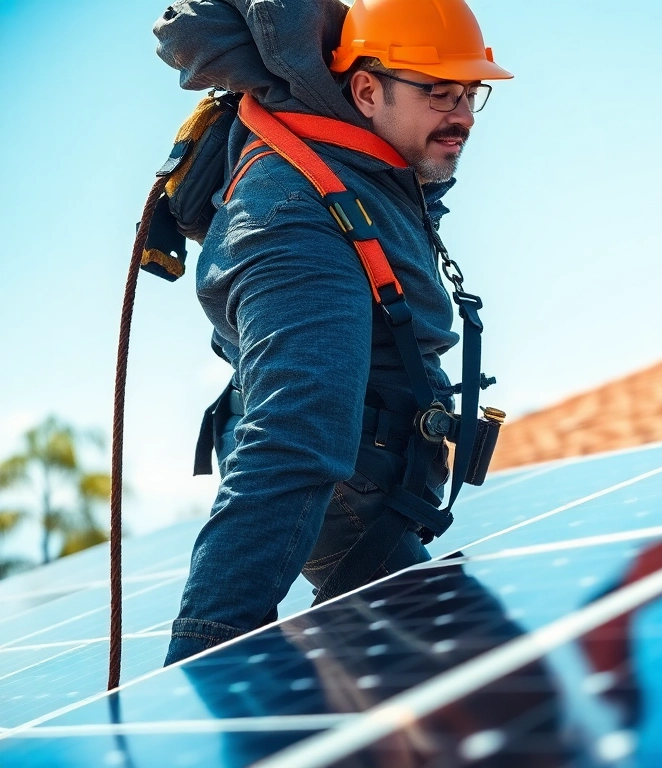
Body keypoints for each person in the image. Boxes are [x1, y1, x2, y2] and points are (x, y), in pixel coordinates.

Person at [157, 0, 511, 666]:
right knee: (486, 697)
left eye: (471, 93)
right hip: (349, 504)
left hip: (375, 497)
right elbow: (291, 434)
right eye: (439, 93)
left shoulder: (363, 176)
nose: (462, 115)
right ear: (367, 90)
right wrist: (208, 667)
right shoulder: (292, 215)